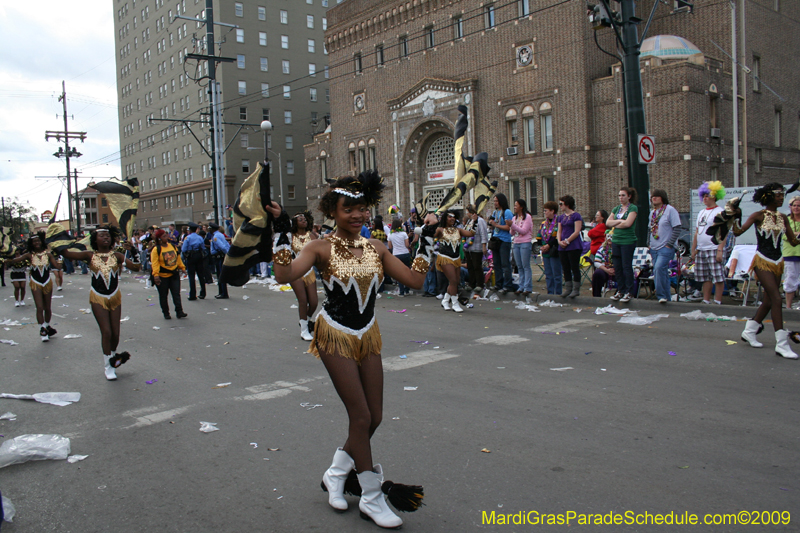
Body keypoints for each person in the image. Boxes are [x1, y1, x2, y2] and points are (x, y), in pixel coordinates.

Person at [269, 171, 428, 528]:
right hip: (335, 335)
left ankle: (336, 472)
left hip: (368, 334)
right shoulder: (318, 247)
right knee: (360, 417)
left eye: (361, 208)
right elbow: (284, 275)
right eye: (348, 209)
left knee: (375, 417)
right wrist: (279, 231)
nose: (356, 215)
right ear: (332, 211)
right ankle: (371, 496)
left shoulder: (377, 247)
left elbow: (416, 281)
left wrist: (426, 243)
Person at [60, 225, 142, 379]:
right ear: (95, 240)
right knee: (106, 332)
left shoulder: (117, 256)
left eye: (108, 236)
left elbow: (137, 268)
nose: (106, 238)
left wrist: (134, 250)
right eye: (102, 235)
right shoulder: (89, 255)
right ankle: (108, 366)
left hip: (115, 296)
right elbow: (66, 253)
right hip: (98, 297)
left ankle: (113, 357)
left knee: (116, 334)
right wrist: (57, 238)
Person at [733, 183, 800, 358]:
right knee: (777, 298)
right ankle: (782, 343)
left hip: (778, 262)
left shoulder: (784, 218)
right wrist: (735, 218)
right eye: (778, 194)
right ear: (767, 196)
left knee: (769, 301)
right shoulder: (758, 216)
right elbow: (738, 232)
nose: (781, 197)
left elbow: (793, 242)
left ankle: (750, 330)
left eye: (782, 194)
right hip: (762, 261)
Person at [4, 232, 59, 341]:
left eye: (38, 241)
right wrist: (7, 258)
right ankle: (42, 329)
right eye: (34, 241)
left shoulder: (48, 254)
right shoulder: (29, 255)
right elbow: (15, 260)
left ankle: (47, 325)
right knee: (39, 307)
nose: (37, 243)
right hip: (35, 282)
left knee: (47, 307)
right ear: (31, 244)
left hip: (47, 282)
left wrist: (61, 256)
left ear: (41, 242)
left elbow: (57, 266)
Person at [691, 182, 725, 305]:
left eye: (708, 195)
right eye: (703, 196)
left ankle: (718, 300)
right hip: (701, 249)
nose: (705, 198)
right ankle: (706, 300)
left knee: (718, 276)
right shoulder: (701, 213)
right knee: (705, 277)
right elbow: (697, 232)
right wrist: (694, 249)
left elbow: (723, 232)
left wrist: (720, 250)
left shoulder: (720, 212)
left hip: (714, 247)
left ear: (715, 196)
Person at [434, 210, 475, 312]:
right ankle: (455, 303)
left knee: (455, 281)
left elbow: (471, 233)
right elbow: (430, 234)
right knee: (452, 281)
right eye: (449, 217)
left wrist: (474, 221)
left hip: (456, 258)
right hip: (444, 258)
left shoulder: (458, 230)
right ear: (445, 218)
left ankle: (445, 300)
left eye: (454, 217)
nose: (452, 219)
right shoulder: (440, 230)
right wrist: (428, 224)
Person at [648, 189, 682, 304]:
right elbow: (650, 229)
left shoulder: (670, 210)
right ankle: (667, 297)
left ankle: (660, 295)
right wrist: (649, 243)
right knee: (661, 271)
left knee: (658, 268)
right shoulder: (652, 212)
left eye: (657, 196)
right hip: (654, 247)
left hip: (665, 247)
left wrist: (670, 244)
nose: (654, 198)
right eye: (652, 197)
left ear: (662, 197)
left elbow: (677, 228)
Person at [606, 187, 639, 303]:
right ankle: (620, 290)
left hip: (627, 241)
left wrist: (617, 224)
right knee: (617, 267)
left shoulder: (633, 208)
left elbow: (628, 223)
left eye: (623, 195)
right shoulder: (616, 209)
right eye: (619, 195)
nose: (621, 198)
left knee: (626, 266)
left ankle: (629, 291)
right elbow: (608, 223)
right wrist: (620, 222)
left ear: (629, 196)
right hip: (616, 240)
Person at [290, 212, 319, 340]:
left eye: (305, 219)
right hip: (295, 270)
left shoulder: (311, 235)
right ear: (295, 223)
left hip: (309, 271)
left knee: (313, 302)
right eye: (300, 220)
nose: (304, 221)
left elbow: (319, 250)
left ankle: (304, 321)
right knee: (303, 300)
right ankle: (304, 331)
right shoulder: (290, 236)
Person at [150, 229, 188, 319]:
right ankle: (166, 313)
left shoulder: (172, 246)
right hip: (163, 276)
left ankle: (179, 311)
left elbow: (178, 258)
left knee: (176, 294)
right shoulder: (156, 249)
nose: (166, 237)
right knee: (163, 295)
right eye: (164, 236)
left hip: (174, 274)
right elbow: (155, 263)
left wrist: (182, 268)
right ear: (159, 239)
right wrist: (156, 275)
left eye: (166, 235)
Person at [556, 195, 584, 298]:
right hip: (562, 246)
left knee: (574, 266)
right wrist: (559, 241)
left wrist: (567, 241)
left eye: (561, 204)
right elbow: (559, 230)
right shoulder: (560, 217)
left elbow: (577, 231)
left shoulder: (576, 216)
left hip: (574, 245)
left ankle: (576, 289)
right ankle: (568, 288)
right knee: (565, 267)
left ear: (567, 204)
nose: (560, 206)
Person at [488, 193, 514, 294]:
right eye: (494, 201)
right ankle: (498, 284)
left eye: (496, 201)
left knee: (505, 263)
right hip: (496, 239)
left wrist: (496, 225)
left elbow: (509, 228)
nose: (495, 203)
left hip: (504, 240)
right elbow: (494, 225)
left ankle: (508, 285)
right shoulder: (495, 212)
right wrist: (492, 225)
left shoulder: (507, 212)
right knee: (496, 263)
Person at [509, 199, 533, 296]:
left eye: (516, 205)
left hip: (525, 243)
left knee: (525, 266)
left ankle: (528, 287)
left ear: (521, 207)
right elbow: (512, 233)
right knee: (519, 266)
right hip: (516, 243)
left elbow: (523, 231)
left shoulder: (527, 217)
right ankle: (521, 286)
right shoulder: (515, 218)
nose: (514, 207)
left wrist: (513, 226)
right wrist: (511, 226)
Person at [538, 201, 562, 296]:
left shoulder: (558, 222)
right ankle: (550, 293)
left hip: (554, 250)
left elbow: (557, 237)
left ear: (552, 211)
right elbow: (539, 236)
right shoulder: (543, 223)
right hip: (545, 251)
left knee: (556, 274)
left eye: (546, 211)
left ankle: (558, 293)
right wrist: (542, 246)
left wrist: (549, 245)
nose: (545, 212)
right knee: (548, 274)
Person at [464, 205, 488, 293]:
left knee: (477, 266)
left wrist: (484, 246)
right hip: (469, 248)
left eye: (467, 212)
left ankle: (480, 284)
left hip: (477, 247)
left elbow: (483, 234)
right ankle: (472, 283)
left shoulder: (480, 221)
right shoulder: (470, 221)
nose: (467, 214)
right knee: (470, 266)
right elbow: (466, 231)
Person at [387, 219, 412, 296]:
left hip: (396, 255)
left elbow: (390, 246)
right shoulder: (404, 234)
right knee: (407, 271)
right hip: (405, 253)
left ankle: (401, 292)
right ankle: (407, 290)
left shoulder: (390, 235)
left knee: (399, 274)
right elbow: (407, 245)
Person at [783, 196, 800, 309]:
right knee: (790, 280)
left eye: (799, 206)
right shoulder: (787, 220)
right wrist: (794, 234)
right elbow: (783, 235)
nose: (796, 208)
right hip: (790, 254)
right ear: (790, 207)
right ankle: (788, 308)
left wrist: (793, 234)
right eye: (794, 205)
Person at [182, 224, 207, 300]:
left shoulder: (188, 238)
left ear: (190, 230)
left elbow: (184, 249)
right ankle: (203, 293)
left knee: (191, 276)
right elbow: (203, 247)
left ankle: (192, 294)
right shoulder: (199, 237)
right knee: (201, 275)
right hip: (199, 256)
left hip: (191, 256)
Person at [209, 223, 230, 299]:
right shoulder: (220, 235)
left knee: (220, 275)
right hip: (221, 256)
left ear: (212, 229)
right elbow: (227, 246)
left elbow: (223, 247)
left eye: (210, 228)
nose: (209, 230)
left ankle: (223, 293)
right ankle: (221, 292)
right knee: (220, 275)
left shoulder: (216, 236)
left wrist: (225, 253)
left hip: (219, 257)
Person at [592, 232, 615, 297]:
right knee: (597, 273)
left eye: (612, 237)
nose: (609, 239)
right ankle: (596, 296)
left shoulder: (619, 250)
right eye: (608, 237)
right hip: (605, 270)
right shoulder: (602, 249)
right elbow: (596, 262)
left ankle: (618, 294)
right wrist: (606, 270)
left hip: (617, 271)